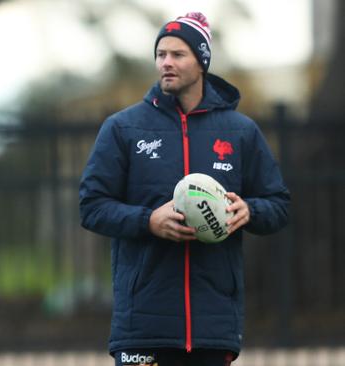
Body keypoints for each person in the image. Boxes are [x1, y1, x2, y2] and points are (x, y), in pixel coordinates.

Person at [79, 12, 290, 366]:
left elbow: (279, 204)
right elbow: (91, 206)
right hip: (144, 325)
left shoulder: (240, 132)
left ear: (202, 62)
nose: (166, 63)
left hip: (213, 325)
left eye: (178, 55)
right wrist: (148, 221)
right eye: (161, 54)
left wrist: (249, 211)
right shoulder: (123, 128)